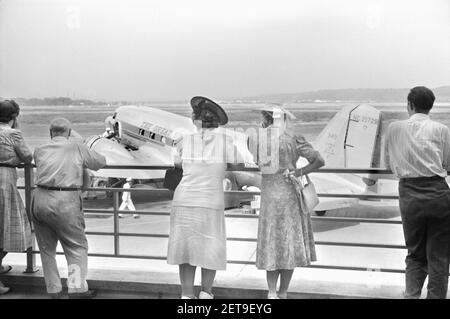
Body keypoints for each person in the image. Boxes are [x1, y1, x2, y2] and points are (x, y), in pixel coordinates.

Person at [167, 96, 252, 299]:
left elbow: (176, 162)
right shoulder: (226, 141)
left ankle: (187, 295)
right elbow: (239, 164)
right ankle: (206, 292)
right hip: (210, 201)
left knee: (185, 250)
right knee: (210, 248)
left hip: (184, 199)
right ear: (216, 121)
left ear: (196, 121)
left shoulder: (184, 140)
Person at [384, 86, 450, 299]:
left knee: (414, 253)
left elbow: (389, 162)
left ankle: (411, 295)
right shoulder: (441, 130)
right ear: (431, 106)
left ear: (409, 105)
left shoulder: (394, 128)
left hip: (409, 194)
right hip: (438, 193)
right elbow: (447, 164)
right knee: (439, 256)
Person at [32, 118, 106, 299]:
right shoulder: (76, 147)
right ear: (69, 132)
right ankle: (76, 288)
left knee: (46, 248)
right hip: (65, 201)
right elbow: (100, 162)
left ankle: (53, 290)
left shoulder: (39, 149)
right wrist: (80, 143)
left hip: (40, 198)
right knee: (75, 246)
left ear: (51, 132)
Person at [255, 106, 325, 299]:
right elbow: (319, 160)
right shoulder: (294, 139)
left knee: (271, 243)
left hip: (269, 196)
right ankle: (283, 292)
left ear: (266, 120)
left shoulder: (258, 140)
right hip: (288, 195)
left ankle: (271, 292)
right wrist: (299, 172)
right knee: (289, 244)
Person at [0, 100, 33, 295]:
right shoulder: (13, 133)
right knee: (6, 227)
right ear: (14, 116)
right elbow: (27, 157)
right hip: (4, 181)